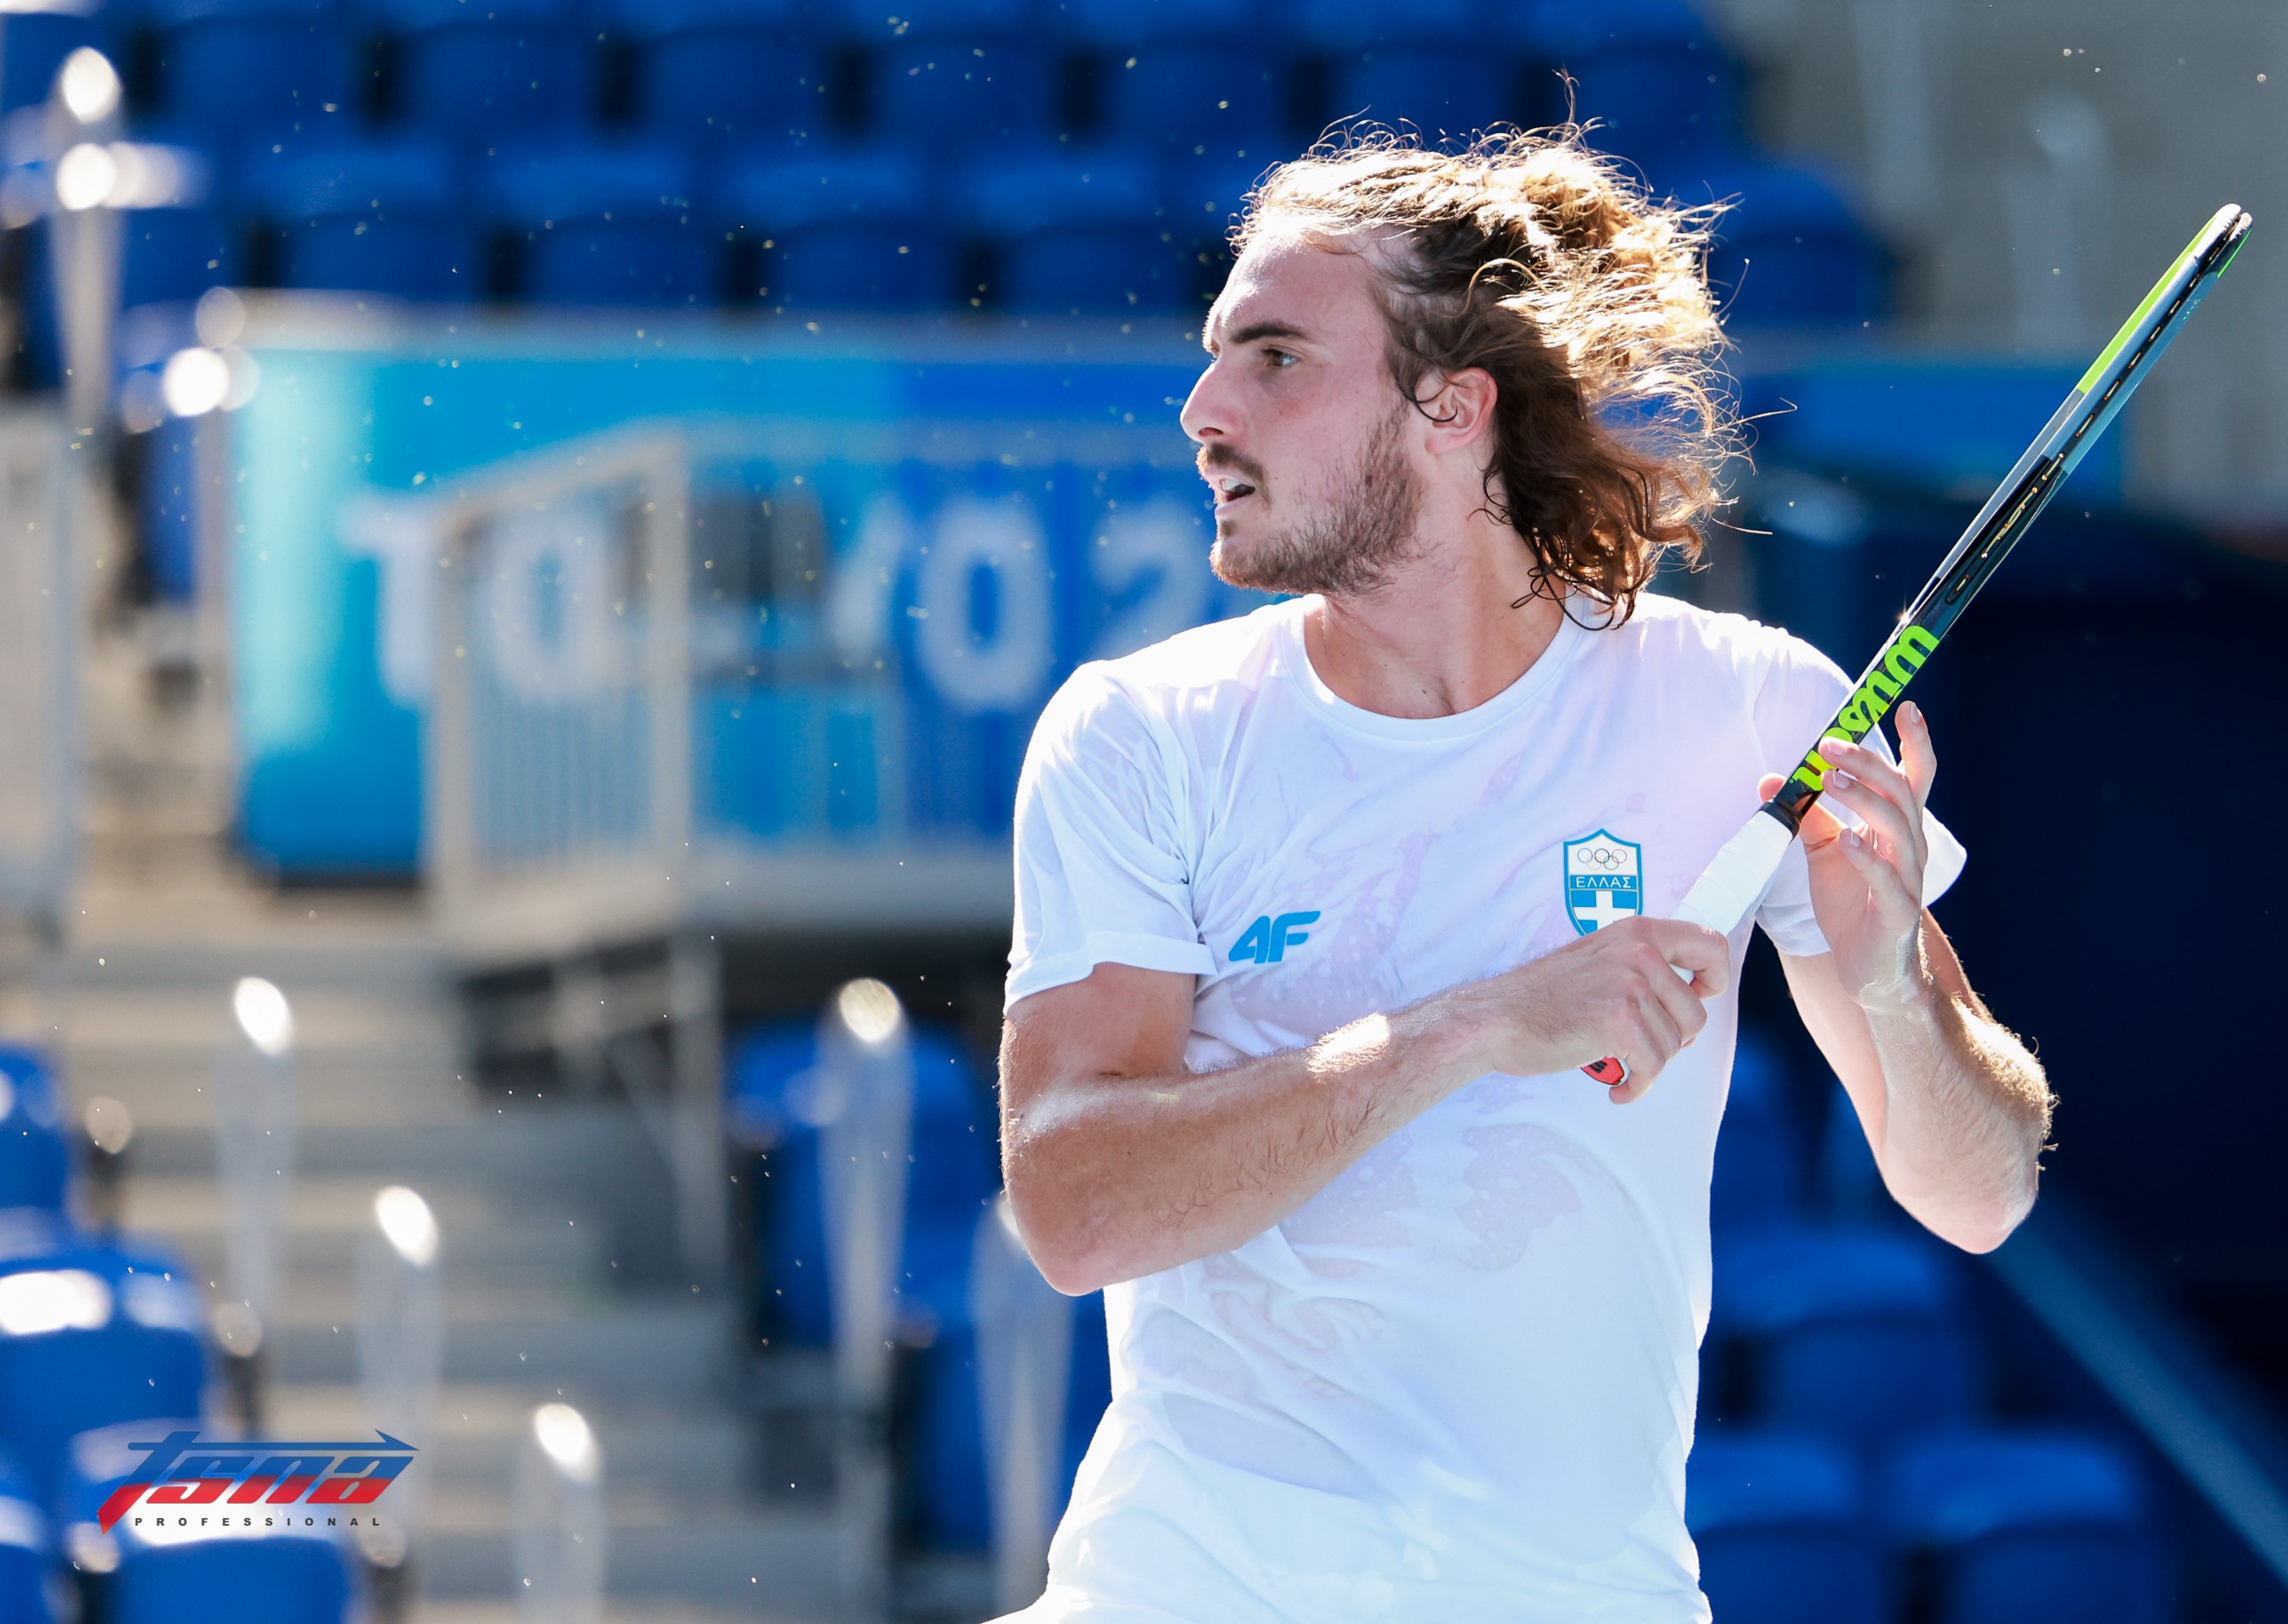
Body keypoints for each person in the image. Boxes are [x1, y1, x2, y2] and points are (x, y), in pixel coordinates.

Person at [994, 129, 2053, 1622]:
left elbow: (1983, 1194)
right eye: (1216, 356)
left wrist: (1890, 987)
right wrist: (1474, 1027)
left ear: (1453, 405)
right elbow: (1074, 1207)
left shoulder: (1749, 710)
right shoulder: (1137, 738)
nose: (1202, 410)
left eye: (1276, 358)